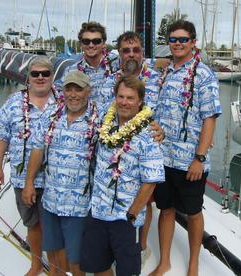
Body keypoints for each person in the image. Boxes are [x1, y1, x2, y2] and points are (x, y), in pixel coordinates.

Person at [151, 20, 222, 276]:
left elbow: (210, 119)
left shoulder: (203, 75)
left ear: (193, 42)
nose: (178, 44)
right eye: (173, 40)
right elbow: (137, 63)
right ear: (168, 44)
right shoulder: (166, 71)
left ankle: (193, 264)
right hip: (163, 158)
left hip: (190, 161)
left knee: (193, 213)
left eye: (183, 39)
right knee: (166, 209)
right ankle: (165, 261)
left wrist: (199, 158)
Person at [80, 76, 165, 276]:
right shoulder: (105, 123)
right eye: (120, 96)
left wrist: (132, 214)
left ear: (140, 101)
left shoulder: (148, 135)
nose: (124, 102)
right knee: (98, 267)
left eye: (130, 98)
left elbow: (150, 182)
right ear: (115, 97)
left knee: (127, 272)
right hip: (98, 212)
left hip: (125, 218)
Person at [0, 56, 67, 276]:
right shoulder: (14, 102)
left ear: (53, 77)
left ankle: (56, 270)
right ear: (28, 78)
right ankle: (35, 265)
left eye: (46, 73)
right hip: (22, 177)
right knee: (33, 224)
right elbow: (2, 136)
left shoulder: (64, 101)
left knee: (54, 227)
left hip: (56, 178)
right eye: (36, 74)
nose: (41, 77)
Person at [23, 70, 98, 276]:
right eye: (69, 89)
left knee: (76, 260)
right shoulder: (51, 116)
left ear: (88, 91)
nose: (73, 94)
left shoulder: (99, 122)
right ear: (62, 91)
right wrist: (29, 183)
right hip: (50, 201)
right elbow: (38, 150)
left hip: (78, 206)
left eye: (79, 89)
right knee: (54, 253)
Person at [100, 31, 162, 262]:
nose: (131, 54)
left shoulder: (157, 79)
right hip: (112, 152)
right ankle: (114, 246)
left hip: (144, 151)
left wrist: (161, 130)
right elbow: (102, 115)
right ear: (119, 54)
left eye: (136, 50)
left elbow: (163, 114)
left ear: (142, 53)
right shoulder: (109, 82)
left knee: (145, 199)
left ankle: (142, 246)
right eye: (126, 50)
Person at [55, 21, 118, 102]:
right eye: (86, 41)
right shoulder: (71, 71)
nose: (91, 45)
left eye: (96, 41)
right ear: (81, 44)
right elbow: (57, 93)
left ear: (104, 43)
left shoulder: (116, 63)